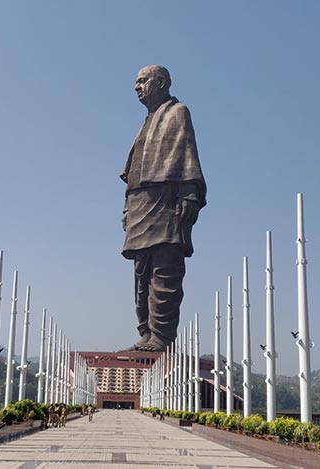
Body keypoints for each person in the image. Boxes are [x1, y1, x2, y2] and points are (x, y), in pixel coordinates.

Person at [120, 65, 206, 353]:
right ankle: (146, 332)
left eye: (142, 80)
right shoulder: (147, 120)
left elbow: (186, 152)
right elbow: (132, 169)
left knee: (165, 270)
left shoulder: (177, 111)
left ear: (161, 82)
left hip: (166, 201)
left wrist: (189, 194)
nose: (137, 86)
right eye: (136, 81)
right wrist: (126, 209)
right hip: (140, 204)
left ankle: (162, 336)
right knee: (141, 273)